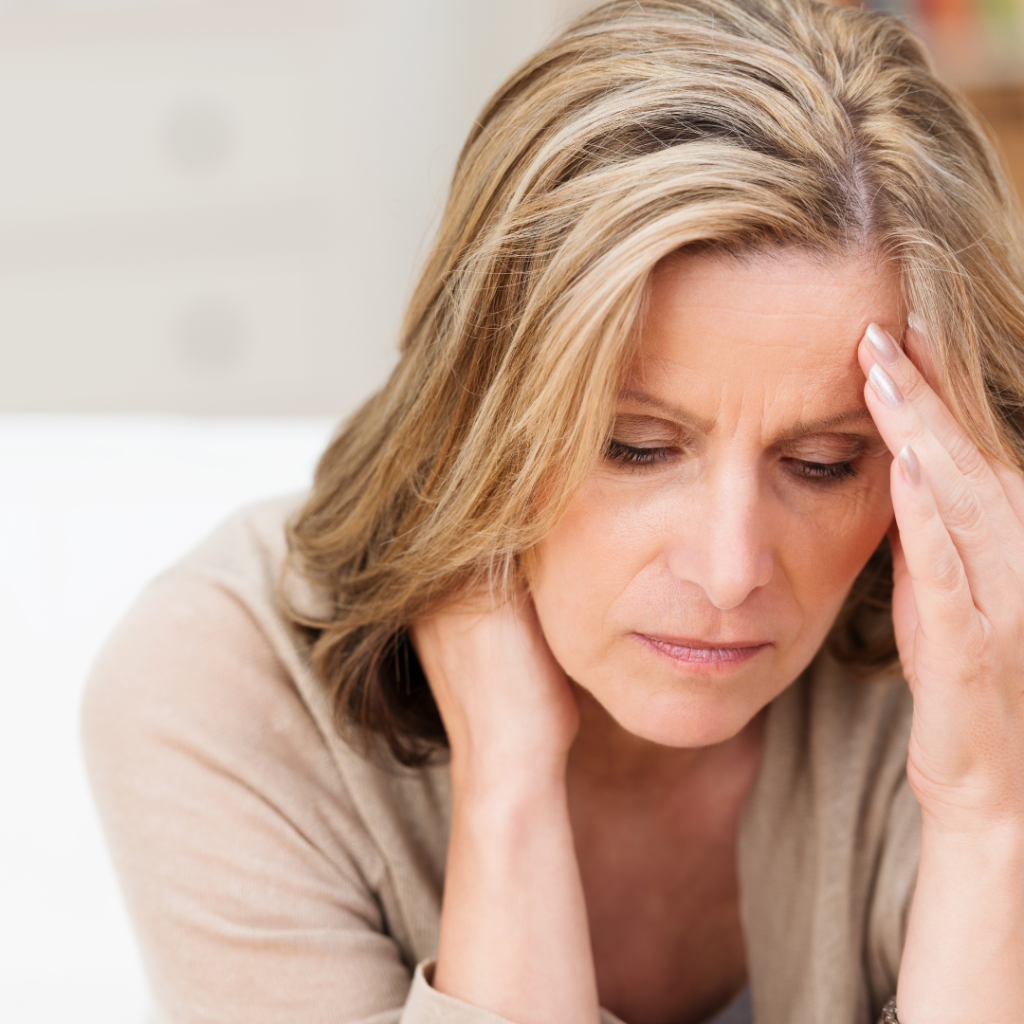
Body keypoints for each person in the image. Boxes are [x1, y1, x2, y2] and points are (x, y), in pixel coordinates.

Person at [82, 1, 1024, 1022]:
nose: (727, 569)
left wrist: (986, 816)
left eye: (823, 461)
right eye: (634, 446)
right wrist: (508, 791)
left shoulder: (976, 647)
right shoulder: (219, 694)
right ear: (480, 408)